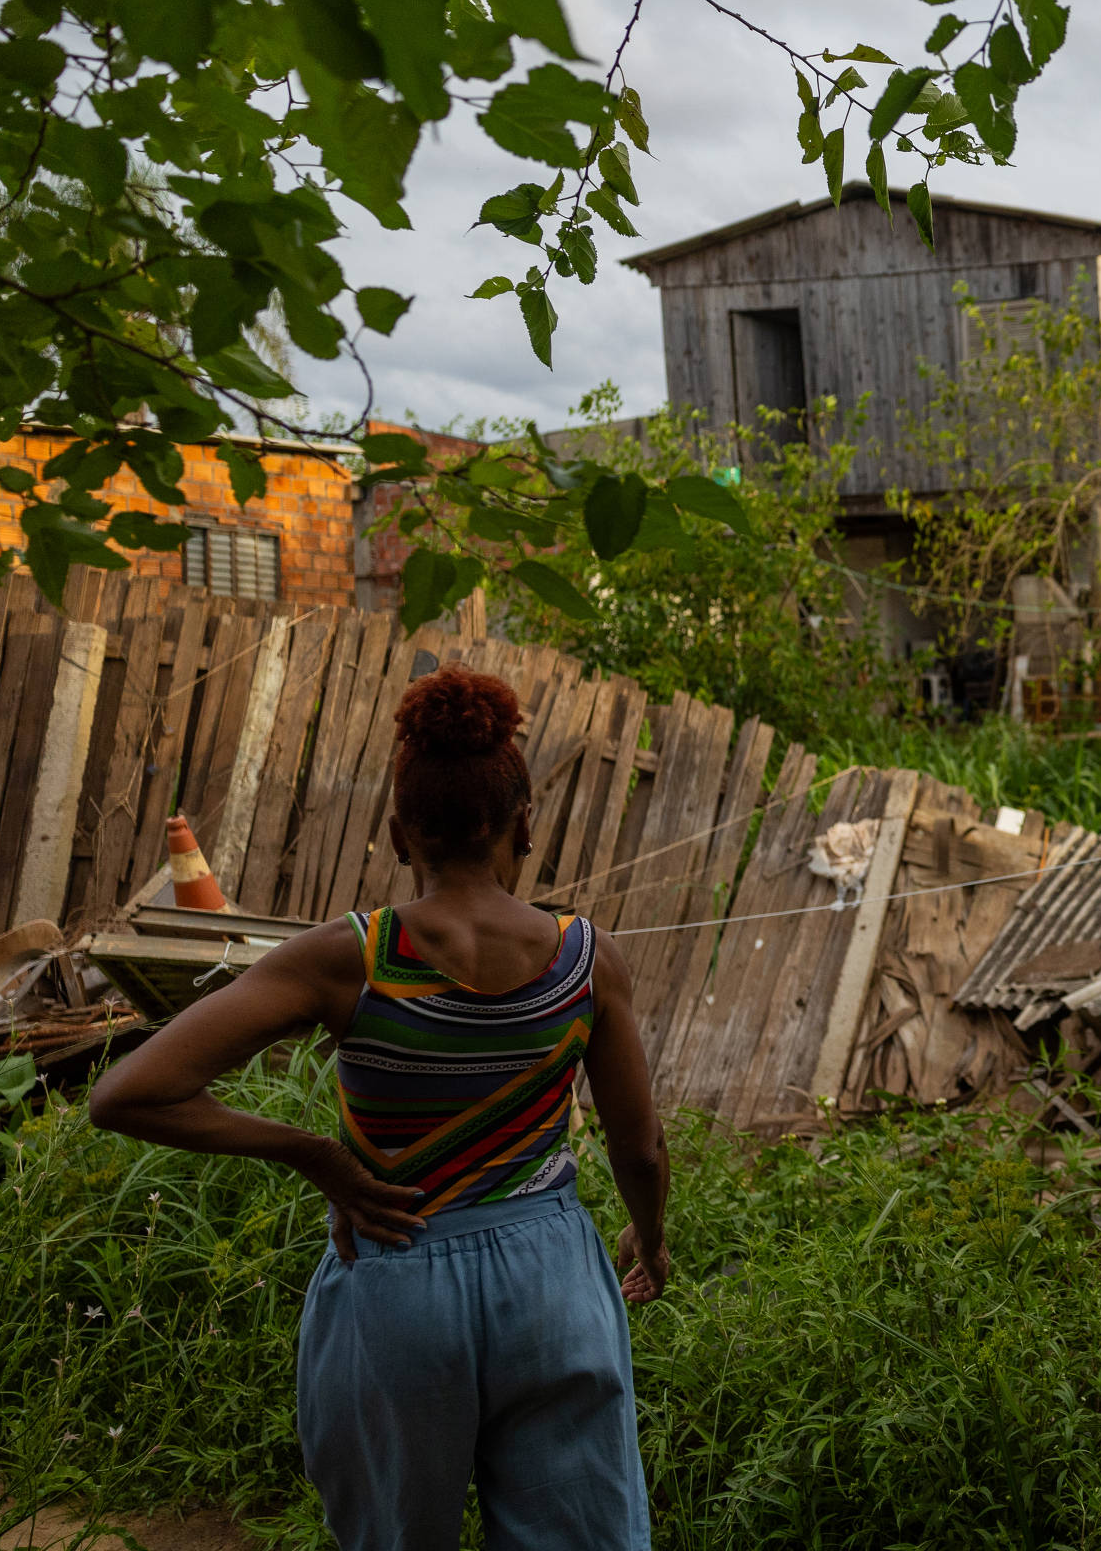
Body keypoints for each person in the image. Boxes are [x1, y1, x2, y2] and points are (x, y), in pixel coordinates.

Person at [91, 664, 669, 1551]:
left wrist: (314, 1155)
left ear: (400, 836)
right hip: (550, 1282)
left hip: (397, 1274)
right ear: (525, 825)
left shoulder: (348, 958)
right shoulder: (588, 959)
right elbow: (640, 1149)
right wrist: (649, 1236)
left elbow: (128, 1092)